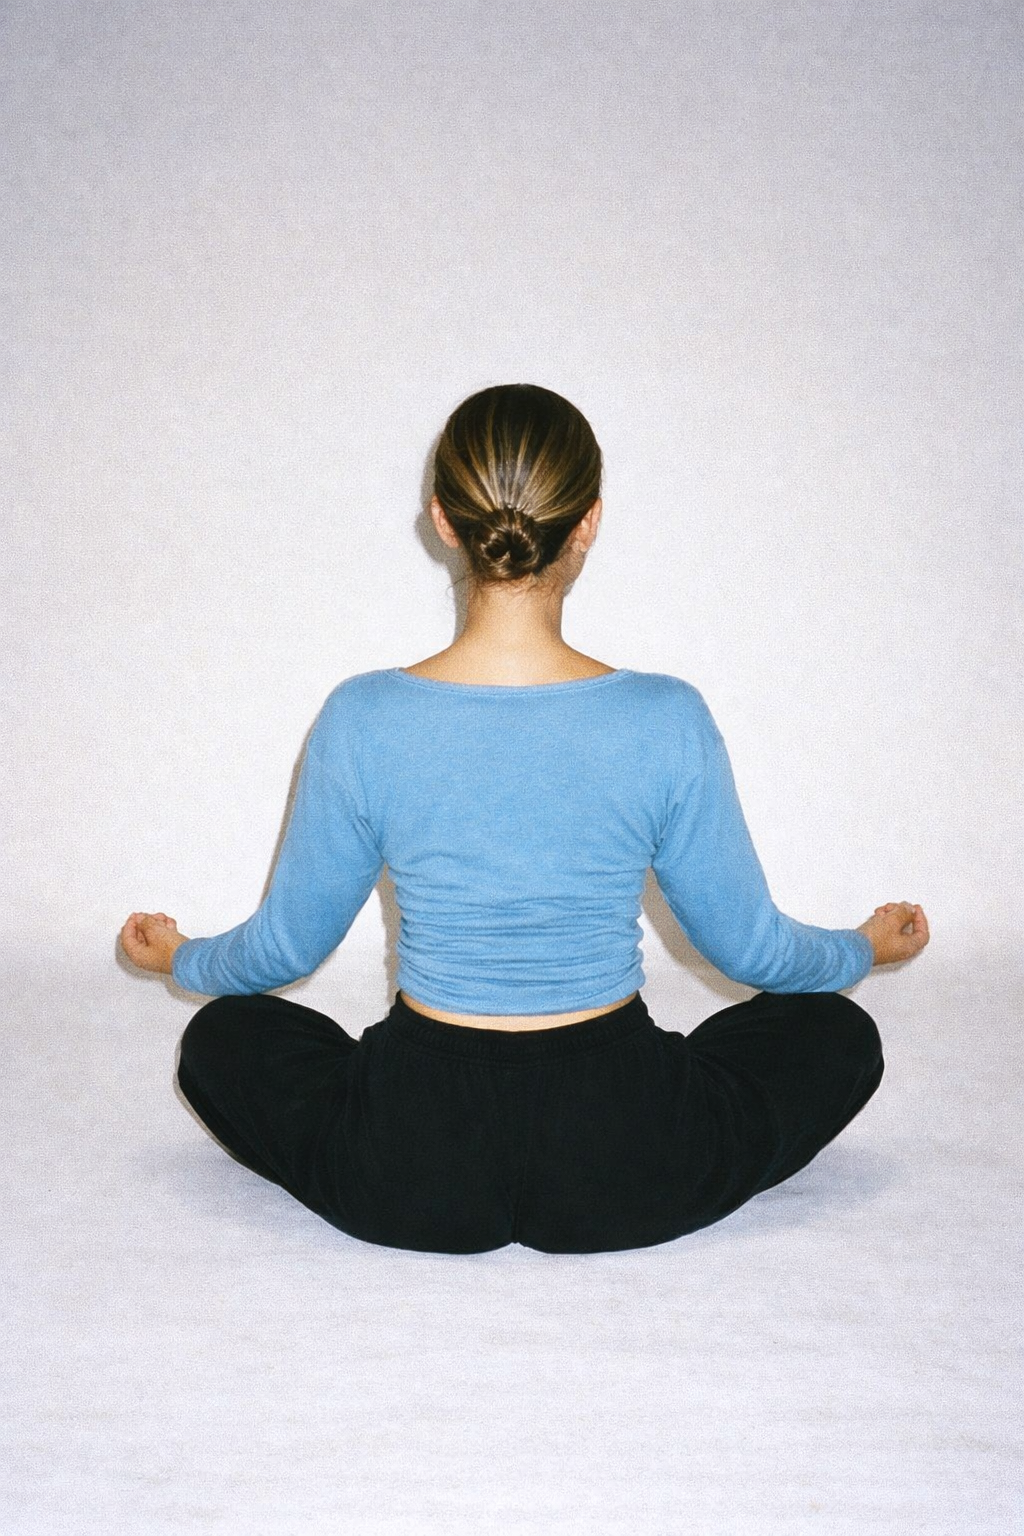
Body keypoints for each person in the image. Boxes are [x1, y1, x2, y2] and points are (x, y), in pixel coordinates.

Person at [119, 383, 930, 1255]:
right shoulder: (664, 717)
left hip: (411, 1165)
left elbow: (283, 953)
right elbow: (755, 954)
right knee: (832, 1031)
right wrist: (864, 948)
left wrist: (181, 958)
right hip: (623, 1159)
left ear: (441, 519)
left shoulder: (363, 717)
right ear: (588, 522)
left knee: (225, 1035)